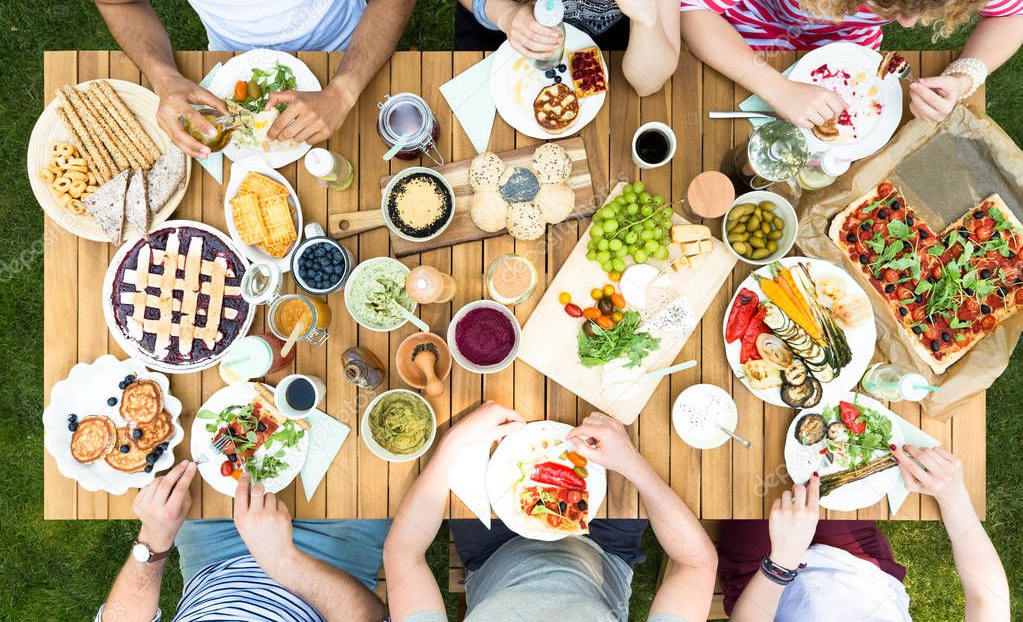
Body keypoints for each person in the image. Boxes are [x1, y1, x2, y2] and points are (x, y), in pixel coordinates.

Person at [62, 0, 416, 158]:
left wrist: (343, 91)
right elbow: (120, 3)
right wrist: (164, 77)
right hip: (229, 58)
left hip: (347, 46)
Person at [384, 402, 718, 621]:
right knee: (630, 413)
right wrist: (631, 462)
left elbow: (403, 555)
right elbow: (696, 565)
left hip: (492, 553)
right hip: (606, 550)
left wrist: (454, 445)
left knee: (468, 399)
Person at [679, 0, 1023, 128]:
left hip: (851, 41)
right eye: (889, 0)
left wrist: (963, 78)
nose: (905, 24)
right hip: (756, 19)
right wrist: (777, 87)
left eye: (923, 10)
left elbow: (1014, 15)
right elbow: (695, 9)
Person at [718, 446, 1010, 621]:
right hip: (858, 563)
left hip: (765, 588)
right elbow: (989, 600)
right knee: (833, 454)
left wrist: (781, 563)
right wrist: (953, 497)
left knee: (755, 476)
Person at [96, 460, 389, 622]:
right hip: (334, 558)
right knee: (378, 453)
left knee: (200, 418)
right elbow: (369, 617)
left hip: (211, 555)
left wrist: (153, 540)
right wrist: (283, 562)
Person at [446, 0, 692, 96]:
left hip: (612, 43)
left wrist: (646, 17)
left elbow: (646, 84)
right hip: (500, 31)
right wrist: (504, 14)